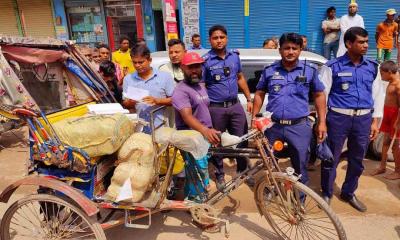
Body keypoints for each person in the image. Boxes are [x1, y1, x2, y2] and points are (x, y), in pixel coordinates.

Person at [320, 27, 384, 212]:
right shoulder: (332, 66)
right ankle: (327, 192)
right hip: (338, 117)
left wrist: (375, 121)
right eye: (361, 42)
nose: (365, 45)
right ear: (349, 44)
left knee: (357, 159)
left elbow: (378, 95)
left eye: (366, 42)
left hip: (363, 119)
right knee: (331, 157)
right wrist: (322, 121)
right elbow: (322, 95)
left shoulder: (372, 67)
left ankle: (348, 192)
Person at [252, 32, 327, 186]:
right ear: (280, 50)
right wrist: (255, 118)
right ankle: (270, 189)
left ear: (300, 50)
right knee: (269, 161)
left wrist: (322, 122)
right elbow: (259, 93)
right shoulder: (270, 70)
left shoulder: (310, 70)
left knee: (300, 164)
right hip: (273, 126)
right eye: (287, 48)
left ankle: (299, 198)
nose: (290, 52)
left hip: (299, 127)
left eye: (295, 48)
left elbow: (319, 95)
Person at [202, 25, 253, 190]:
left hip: (235, 106)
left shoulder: (234, 57)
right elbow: (201, 85)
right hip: (216, 109)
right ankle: (220, 175)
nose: (219, 40)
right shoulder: (206, 61)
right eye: (215, 38)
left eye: (221, 37)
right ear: (210, 40)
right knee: (217, 142)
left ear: (227, 38)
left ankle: (242, 171)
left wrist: (249, 98)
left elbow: (240, 77)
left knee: (242, 140)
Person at [122, 46, 174, 134]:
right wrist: (131, 102)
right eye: (134, 62)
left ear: (150, 60)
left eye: (141, 62)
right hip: (138, 130)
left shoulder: (165, 77)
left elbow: (174, 100)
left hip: (161, 127)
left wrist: (157, 100)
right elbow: (125, 103)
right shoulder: (128, 79)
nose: (137, 65)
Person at [172, 51, 219, 144]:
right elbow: (187, 117)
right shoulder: (181, 90)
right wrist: (205, 130)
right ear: (182, 68)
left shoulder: (200, 86)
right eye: (190, 67)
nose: (194, 70)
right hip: (191, 139)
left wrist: (209, 130)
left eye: (197, 66)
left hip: (203, 135)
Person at [370, 60, 400, 179]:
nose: (381, 76)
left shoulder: (398, 85)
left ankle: (397, 171)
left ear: (389, 72)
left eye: (382, 73)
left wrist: (398, 122)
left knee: (395, 145)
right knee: (385, 142)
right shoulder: (390, 82)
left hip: (395, 117)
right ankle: (382, 167)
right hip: (387, 114)